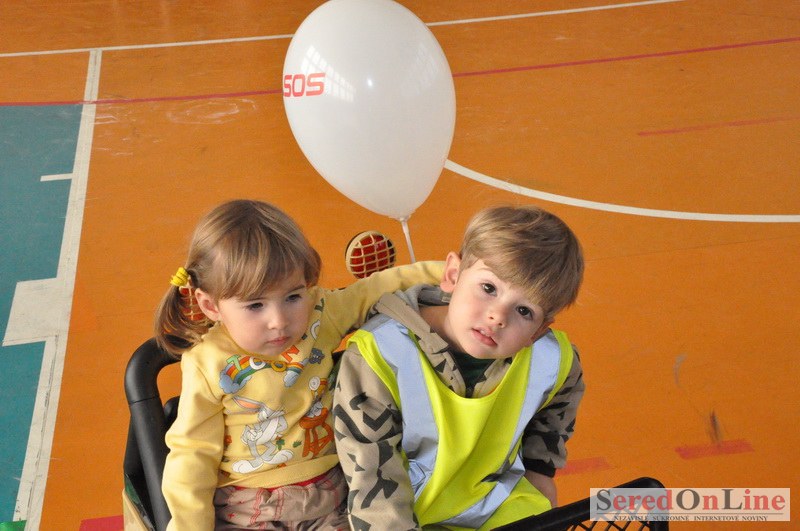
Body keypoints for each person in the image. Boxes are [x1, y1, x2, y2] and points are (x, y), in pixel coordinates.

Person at [155, 199, 443, 530]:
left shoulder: (321, 312)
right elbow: (193, 455)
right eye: (256, 305)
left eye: (293, 296)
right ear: (210, 306)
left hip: (335, 493)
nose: (279, 321)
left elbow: (377, 287)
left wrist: (453, 275)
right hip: (250, 509)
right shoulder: (207, 362)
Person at [333, 205, 585, 531]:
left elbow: (561, 395)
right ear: (453, 275)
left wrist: (540, 470)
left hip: (493, 504)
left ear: (538, 331)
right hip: (403, 514)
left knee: (636, 504)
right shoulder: (379, 354)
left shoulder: (551, 359)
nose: (497, 317)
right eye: (489, 288)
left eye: (524, 310)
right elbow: (372, 477)